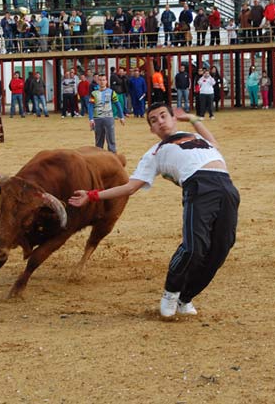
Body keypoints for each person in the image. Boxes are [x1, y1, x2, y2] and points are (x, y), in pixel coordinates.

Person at [69, 103, 239, 318]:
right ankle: (171, 292)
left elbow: (214, 143)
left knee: (221, 248)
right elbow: (130, 187)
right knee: (194, 247)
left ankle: (185, 298)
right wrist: (92, 195)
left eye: (163, 116)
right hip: (198, 187)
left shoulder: (194, 136)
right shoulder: (155, 153)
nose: (160, 122)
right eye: (154, 120)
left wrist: (193, 119)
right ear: (152, 129)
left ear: (173, 119)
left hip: (227, 187)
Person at [87, 73, 125, 153]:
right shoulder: (94, 93)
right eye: (100, 80)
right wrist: (91, 119)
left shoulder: (111, 92)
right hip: (97, 119)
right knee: (98, 141)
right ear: (97, 81)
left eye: (103, 80)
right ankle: (99, 158)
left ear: (106, 81)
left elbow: (117, 104)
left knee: (111, 139)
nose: (102, 82)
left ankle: (112, 156)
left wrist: (121, 116)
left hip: (109, 118)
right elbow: (90, 106)